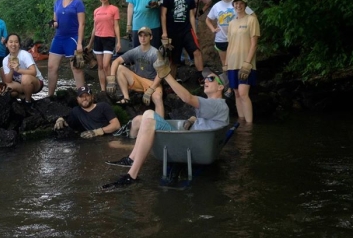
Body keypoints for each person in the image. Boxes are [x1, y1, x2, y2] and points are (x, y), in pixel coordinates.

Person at [102, 62, 230, 189]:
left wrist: (167, 75)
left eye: (211, 78)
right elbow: (208, 117)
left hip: (194, 146)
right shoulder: (217, 106)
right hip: (194, 143)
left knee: (149, 119)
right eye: (205, 78)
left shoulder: (217, 104)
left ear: (220, 87)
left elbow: (187, 98)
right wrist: (193, 119)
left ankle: (132, 175)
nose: (206, 80)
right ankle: (131, 159)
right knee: (147, 115)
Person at [107, 26, 164, 119]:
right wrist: (111, 80)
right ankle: (126, 98)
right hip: (137, 80)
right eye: (141, 36)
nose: (143, 38)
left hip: (152, 82)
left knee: (158, 98)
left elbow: (161, 73)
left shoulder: (155, 53)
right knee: (120, 68)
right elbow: (116, 61)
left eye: (145, 35)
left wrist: (151, 89)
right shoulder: (135, 51)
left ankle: (162, 125)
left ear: (151, 37)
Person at [160, 0, 204, 79]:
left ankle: (200, 78)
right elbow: (163, 14)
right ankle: (172, 84)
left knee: (197, 52)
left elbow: (191, 16)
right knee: (173, 60)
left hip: (186, 31)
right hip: (172, 32)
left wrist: (195, 32)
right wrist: (164, 32)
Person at [47, 0, 85, 98]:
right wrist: (53, 24)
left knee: (76, 68)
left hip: (72, 38)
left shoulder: (78, 3)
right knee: (51, 67)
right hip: (58, 38)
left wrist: (79, 43)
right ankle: (50, 96)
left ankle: (83, 95)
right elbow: (56, 21)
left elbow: (82, 24)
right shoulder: (57, 2)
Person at [225, 0, 260, 124]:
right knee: (236, 93)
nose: (238, 5)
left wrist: (247, 63)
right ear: (233, 5)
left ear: (245, 5)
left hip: (246, 63)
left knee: (243, 93)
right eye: (236, 3)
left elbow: (254, 44)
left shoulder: (251, 20)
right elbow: (230, 44)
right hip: (232, 63)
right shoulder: (231, 23)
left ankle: (249, 124)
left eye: (241, 3)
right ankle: (241, 122)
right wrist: (226, 63)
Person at [205, 0, 254, 67]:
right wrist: (213, 29)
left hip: (237, 38)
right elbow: (208, 20)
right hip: (221, 38)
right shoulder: (216, 6)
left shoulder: (238, 3)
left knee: (237, 61)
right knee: (225, 63)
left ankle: (237, 78)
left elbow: (253, 16)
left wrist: (246, 29)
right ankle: (228, 79)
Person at [85, 0, 121, 92]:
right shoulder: (96, 11)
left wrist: (118, 41)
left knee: (106, 65)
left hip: (109, 38)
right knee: (100, 66)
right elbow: (94, 28)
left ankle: (111, 86)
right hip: (98, 39)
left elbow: (116, 26)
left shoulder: (114, 9)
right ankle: (103, 90)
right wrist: (90, 44)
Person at [53, 86, 121, 138]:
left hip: (111, 137)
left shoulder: (103, 106)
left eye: (87, 95)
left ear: (92, 97)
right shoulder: (76, 111)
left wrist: (97, 132)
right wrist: (60, 119)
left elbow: (116, 125)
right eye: (81, 96)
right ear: (77, 99)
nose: (84, 98)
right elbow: (67, 121)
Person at [2, 33, 45, 105]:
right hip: (20, 85)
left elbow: (33, 72)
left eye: (16, 42)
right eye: (11, 42)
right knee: (5, 88)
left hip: (36, 83)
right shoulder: (6, 59)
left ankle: (27, 101)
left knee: (25, 78)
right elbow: (8, 81)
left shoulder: (24, 54)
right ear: (6, 44)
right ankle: (22, 97)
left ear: (19, 44)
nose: (13, 44)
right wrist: (11, 69)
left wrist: (18, 70)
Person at [182, 0, 212, 66]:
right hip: (181, 19)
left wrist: (201, 11)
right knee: (180, 39)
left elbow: (209, 1)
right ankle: (181, 60)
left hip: (193, 20)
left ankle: (193, 60)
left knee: (193, 39)